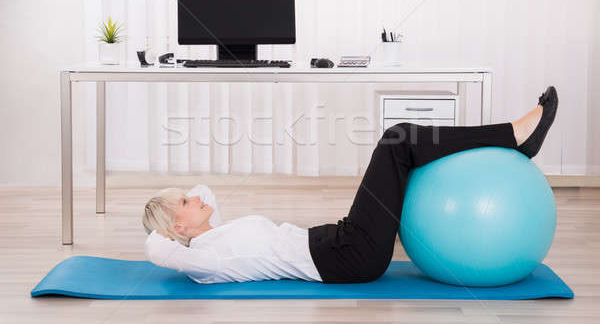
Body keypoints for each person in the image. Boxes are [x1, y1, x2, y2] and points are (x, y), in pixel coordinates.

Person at [142, 86, 558, 284]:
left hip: (340, 243)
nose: (196, 196)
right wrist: (163, 228)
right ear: (178, 229)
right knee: (398, 140)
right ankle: (514, 135)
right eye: (185, 201)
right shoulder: (206, 261)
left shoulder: (215, 233)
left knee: (400, 148)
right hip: (348, 256)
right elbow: (158, 250)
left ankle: (514, 138)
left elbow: (203, 194)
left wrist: (179, 212)